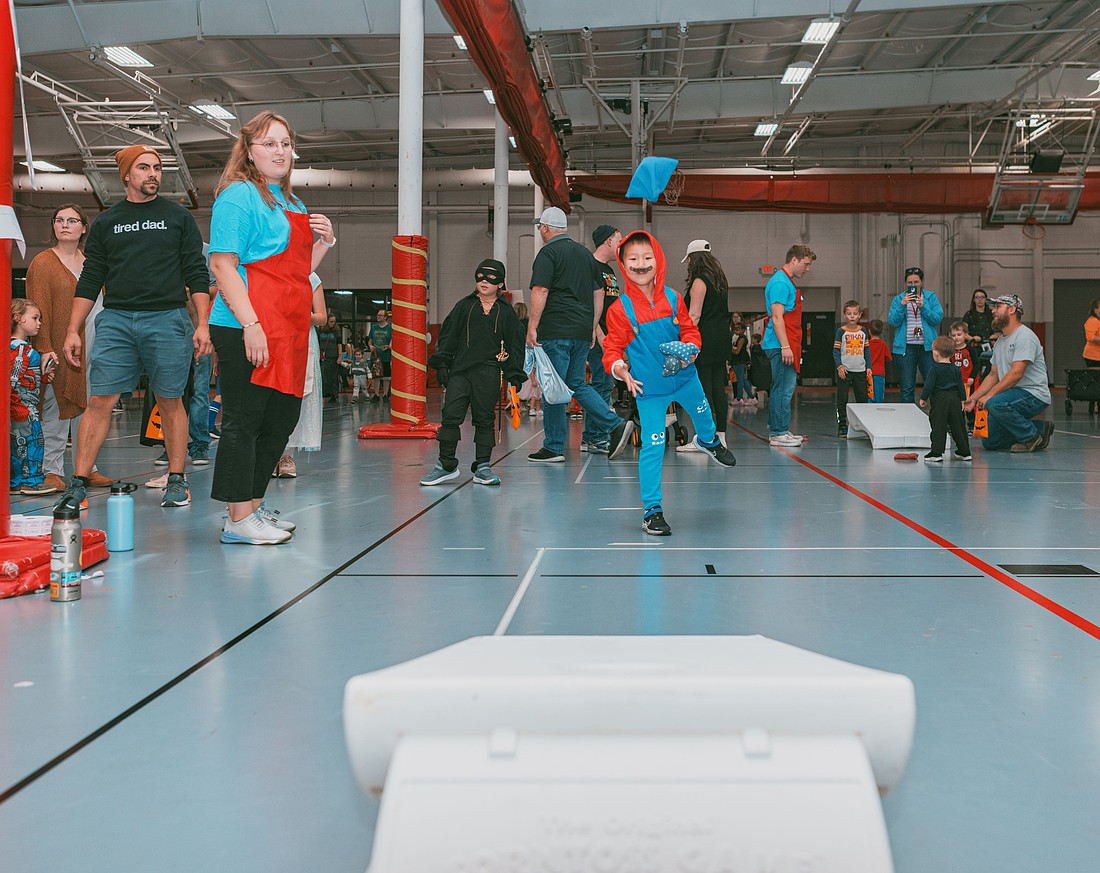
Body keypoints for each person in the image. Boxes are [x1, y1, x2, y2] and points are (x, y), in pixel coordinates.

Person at [60, 144, 211, 510]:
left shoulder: (178, 217)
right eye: (144, 168)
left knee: (170, 400)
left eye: (157, 168)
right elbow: (91, 276)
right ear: (127, 175)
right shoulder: (108, 222)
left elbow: (196, 272)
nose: (153, 174)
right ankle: (78, 483)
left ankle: (177, 479)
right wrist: (72, 329)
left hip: (168, 317)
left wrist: (202, 323)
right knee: (100, 401)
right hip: (116, 320)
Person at [208, 110, 335, 544]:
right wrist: (251, 324)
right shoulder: (238, 196)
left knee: (279, 420)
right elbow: (223, 264)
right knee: (245, 419)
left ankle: (253, 505)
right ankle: (238, 517)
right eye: (269, 143)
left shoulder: (291, 202)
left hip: (286, 327)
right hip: (245, 324)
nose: (280, 151)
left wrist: (324, 243)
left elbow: (295, 275)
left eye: (285, 143)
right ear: (249, 151)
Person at [602, 231, 736, 537]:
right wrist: (619, 368)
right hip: (649, 391)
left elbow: (690, 329)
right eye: (633, 259)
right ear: (623, 264)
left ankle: (708, 442)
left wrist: (691, 348)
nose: (640, 264)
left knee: (706, 416)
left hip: (686, 379)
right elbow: (612, 348)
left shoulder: (674, 298)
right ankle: (653, 511)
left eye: (647, 257)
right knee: (653, 446)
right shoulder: (620, 310)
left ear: (657, 260)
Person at [525, 206, 632, 462]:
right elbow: (598, 293)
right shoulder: (585, 255)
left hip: (556, 331)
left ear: (546, 228)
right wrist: (592, 326)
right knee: (575, 384)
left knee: (554, 387)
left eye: (541, 226)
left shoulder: (548, 253)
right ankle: (615, 423)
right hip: (582, 333)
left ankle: (553, 447)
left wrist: (532, 326)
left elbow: (540, 290)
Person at [25, 204, 112, 492]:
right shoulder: (43, 263)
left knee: (90, 406)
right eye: (59, 220)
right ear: (53, 226)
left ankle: (87, 468)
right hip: (59, 346)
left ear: (83, 228)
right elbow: (38, 308)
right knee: (56, 407)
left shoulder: (91, 261)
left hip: (95, 346)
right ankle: (51, 469)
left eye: (72, 220)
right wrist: (45, 347)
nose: (65, 225)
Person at [421, 258, 526, 486]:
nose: (485, 280)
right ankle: (446, 465)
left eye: (492, 277)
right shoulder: (463, 306)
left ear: (501, 283)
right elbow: (448, 336)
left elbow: (515, 344)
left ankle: (483, 466)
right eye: (481, 275)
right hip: (460, 372)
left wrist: (515, 374)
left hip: (489, 373)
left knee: (485, 419)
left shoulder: (507, 312)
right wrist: (443, 364)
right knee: (450, 417)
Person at [963, 294, 1053, 453]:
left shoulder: (1025, 337)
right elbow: (993, 375)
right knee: (991, 442)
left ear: (1012, 310)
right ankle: (1039, 429)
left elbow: (1016, 373)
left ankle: (1030, 437)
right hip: (1012, 393)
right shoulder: (1000, 342)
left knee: (995, 403)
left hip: (1033, 394)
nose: (993, 311)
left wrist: (989, 396)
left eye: (998, 307)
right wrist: (973, 398)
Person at [761, 244, 816, 447]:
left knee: (784, 387)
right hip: (780, 344)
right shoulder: (781, 283)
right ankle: (778, 433)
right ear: (794, 259)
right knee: (783, 389)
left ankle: (780, 428)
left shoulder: (786, 282)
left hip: (786, 343)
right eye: (806, 264)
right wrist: (785, 346)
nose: (807, 269)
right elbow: (777, 317)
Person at [275, 274, 327, 479]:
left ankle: (287, 455)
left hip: (303, 341)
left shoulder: (312, 277)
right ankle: (271, 454)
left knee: (299, 397)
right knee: (273, 396)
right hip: (273, 337)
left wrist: (300, 315)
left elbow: (321, 316)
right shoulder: (270, 268)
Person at [682, 239, 732, 439]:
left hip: (705, 339)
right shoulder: (720, 280)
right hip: (722, 338)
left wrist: (687, 344)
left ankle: (705, 437)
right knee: (718, 387)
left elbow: (694, 316)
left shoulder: (699, 281)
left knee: (703, 389)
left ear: (695, 259)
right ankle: (720, 435)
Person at [10, 300, 58, 496]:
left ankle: (20, 480)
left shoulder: (24, 350)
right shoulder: (20, 351)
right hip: (23, 410)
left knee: (24, 444)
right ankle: (29, 481)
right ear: (18, 319)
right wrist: (16, 407)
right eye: (34, 318)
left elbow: (25, 378)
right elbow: (12, 381)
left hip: (26, 408)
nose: (38, 323)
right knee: (30, 445)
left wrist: (43, 376)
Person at [581, 224, 621, 453]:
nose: (621, 244)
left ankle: (591, 436)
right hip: (597, 338)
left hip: (611, 337)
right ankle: (595, 437)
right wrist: (600, 334)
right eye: (619, 239)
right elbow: (589, 305)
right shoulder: (590, 266)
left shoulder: (610, 271)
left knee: (605, 384)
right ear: (608, 241)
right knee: (601, 383)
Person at [887, 267, 943, 403]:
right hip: (905, 348)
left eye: (916, 282)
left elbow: (937, 319)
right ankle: (907, 421)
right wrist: (902, 305)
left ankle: (937, 418)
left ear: (922, 282)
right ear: (906, 283)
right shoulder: (898, 299)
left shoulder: (930, 297)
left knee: (934, 384)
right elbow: (893, 321)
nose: (913, 285)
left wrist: (923, 307)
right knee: (906, 387)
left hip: (927, 348)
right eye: (910, 282)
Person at [919, 336, 971, 462]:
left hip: (940, 399)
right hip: (954, 398)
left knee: (939, 425)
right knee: (958, 425)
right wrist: (962, 400)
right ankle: (965, 452)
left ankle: (936, 453)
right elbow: (960, 386)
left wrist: (923, 398)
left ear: (936, 353)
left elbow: (929, 385)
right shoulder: (955, 369)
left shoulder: (935, 369)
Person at [832, 299, 871, 436]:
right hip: (845, 371)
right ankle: (842, 425)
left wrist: (869, 366)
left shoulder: (863, 331)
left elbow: (866, 350)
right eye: (849, 313)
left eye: (855, 313)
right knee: (842, 399)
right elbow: (836, 351)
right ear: (844, 315)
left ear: (859, 315)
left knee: (862, 399)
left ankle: (862, 426)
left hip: (860, 371)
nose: (852, 316)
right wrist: (840, 366)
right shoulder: (840, 332)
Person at [368, 309, 393, 401]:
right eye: (378, 315)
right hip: (376, 355)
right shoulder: (374, 328)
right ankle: (376, 394)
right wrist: (370, 346)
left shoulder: (389, 328)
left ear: (385, 317)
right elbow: (370, 340)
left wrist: (389, 346)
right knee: (376, 375)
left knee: (386, 376)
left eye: (380, 315)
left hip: (386, 355)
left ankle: (386, 394)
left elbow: (392, 339)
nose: (378, 317)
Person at [1081, 299, 1100, 414]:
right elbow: (1091, 337)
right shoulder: (1092, 321)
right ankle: (1094, 406)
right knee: (1096, 381)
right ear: (1096, 308)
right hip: (1093, 356)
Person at [317, 313, 341, 402]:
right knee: (323, 375)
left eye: (334, 322)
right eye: (331, 321)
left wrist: (339, 356)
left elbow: (339, 344)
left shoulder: (336, 331)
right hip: (323, 356)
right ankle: (324, 392)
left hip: (333, 356)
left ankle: (334, 394)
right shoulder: (320, 330)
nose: (333, 323)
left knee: (333, 376)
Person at [867, 319, 891, 403]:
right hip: (879, 374)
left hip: (868, 373)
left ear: (869, 331)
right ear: (882, 331)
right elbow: (889, 358)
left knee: (869, 396)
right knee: (879, 396)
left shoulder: (866, 344)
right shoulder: (883, 344)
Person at [730, 321, 753, 406]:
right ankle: (751, 397)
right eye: (735, 328)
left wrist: (730, 348)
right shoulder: (739, 338)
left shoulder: (742, 339)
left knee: (740, 380)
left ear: (743, 330)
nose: (736, 330)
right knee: (742, 379)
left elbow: (737, 351)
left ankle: (739, 398)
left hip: (739, 361)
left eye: (738, 328)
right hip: (738, 361)